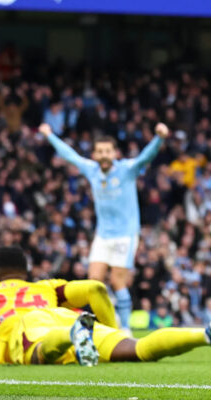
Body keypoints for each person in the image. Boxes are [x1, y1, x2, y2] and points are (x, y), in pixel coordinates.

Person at [0, 246, 211, 365]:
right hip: (61, 313)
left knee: (40, 353)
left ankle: (73, 335)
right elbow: (95, 288)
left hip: (28, 326)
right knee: (139, 349)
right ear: (25, 273)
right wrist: (112, 331)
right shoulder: (43, 287)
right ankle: (205, 335)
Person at [39, 121, 168, 330]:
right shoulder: (92, 170)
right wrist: (49, 135)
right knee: (94, 282)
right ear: (94, 155)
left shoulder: (126, 170)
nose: (104, 155)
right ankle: (110, 320)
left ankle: (125, 329)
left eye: (108, 151)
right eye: (100, 151)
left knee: (118, 281)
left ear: (115, 153)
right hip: (103, 235)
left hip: (125, 234)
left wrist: (159, 138)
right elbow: (69, 155)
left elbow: (146, 157)